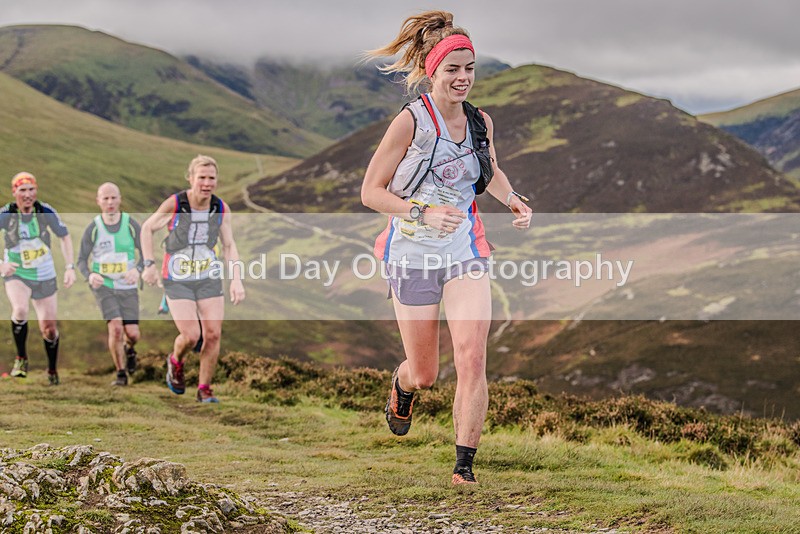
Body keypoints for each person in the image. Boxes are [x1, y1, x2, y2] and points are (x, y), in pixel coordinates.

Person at [361, 11, 533, 485]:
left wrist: (513, 198)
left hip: (465, 252)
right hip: (412, 254)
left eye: (470, 68)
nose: (463, 78)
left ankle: (464, 467)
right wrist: (422, 212)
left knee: (473, 356)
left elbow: (489, 170)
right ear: (432, 71)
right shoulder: (410, 122)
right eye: (453, 69)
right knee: (425, 374)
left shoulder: (481, 122)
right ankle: (402, 385)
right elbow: (371, 192)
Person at [141, 155, 245, 403]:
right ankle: (176, 360)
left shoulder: (220, 208)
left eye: (211, 178)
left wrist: (236, 279)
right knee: (191, 336)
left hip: (208, 276)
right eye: (202, 177)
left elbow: (229, 245)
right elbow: (147, 228)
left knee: (213, 334)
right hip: (177, 278)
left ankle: (204, 389)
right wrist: (149, 265)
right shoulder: (176, 203)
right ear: (191, 178)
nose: (207, 183)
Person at [0, 172, 76, 385]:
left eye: (31, 189)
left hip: (44, 274)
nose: (27, 194)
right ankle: (21, 359)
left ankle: (52, 370)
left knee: (49, 329)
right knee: (20, 310)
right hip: (18, 272)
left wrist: (70, 267)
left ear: (36, 191)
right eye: (22, 190)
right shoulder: (7, 213)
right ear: (14, 191)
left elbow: (64, 235)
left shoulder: (45, 211)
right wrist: (2, 265)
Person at [78, 182, 143, 386]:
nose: (110, 202)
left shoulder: (131, 225)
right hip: (104, 286)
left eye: (113, 197)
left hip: (128, 286)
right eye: (105, 198)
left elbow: (148, 254)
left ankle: (129, 349)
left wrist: (138, 270)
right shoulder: (93, 228)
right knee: (115, 328)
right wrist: (89, 275)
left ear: (120, 199)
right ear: (98, 201)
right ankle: (121, 373)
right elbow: (81, 260)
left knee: (132, 333)